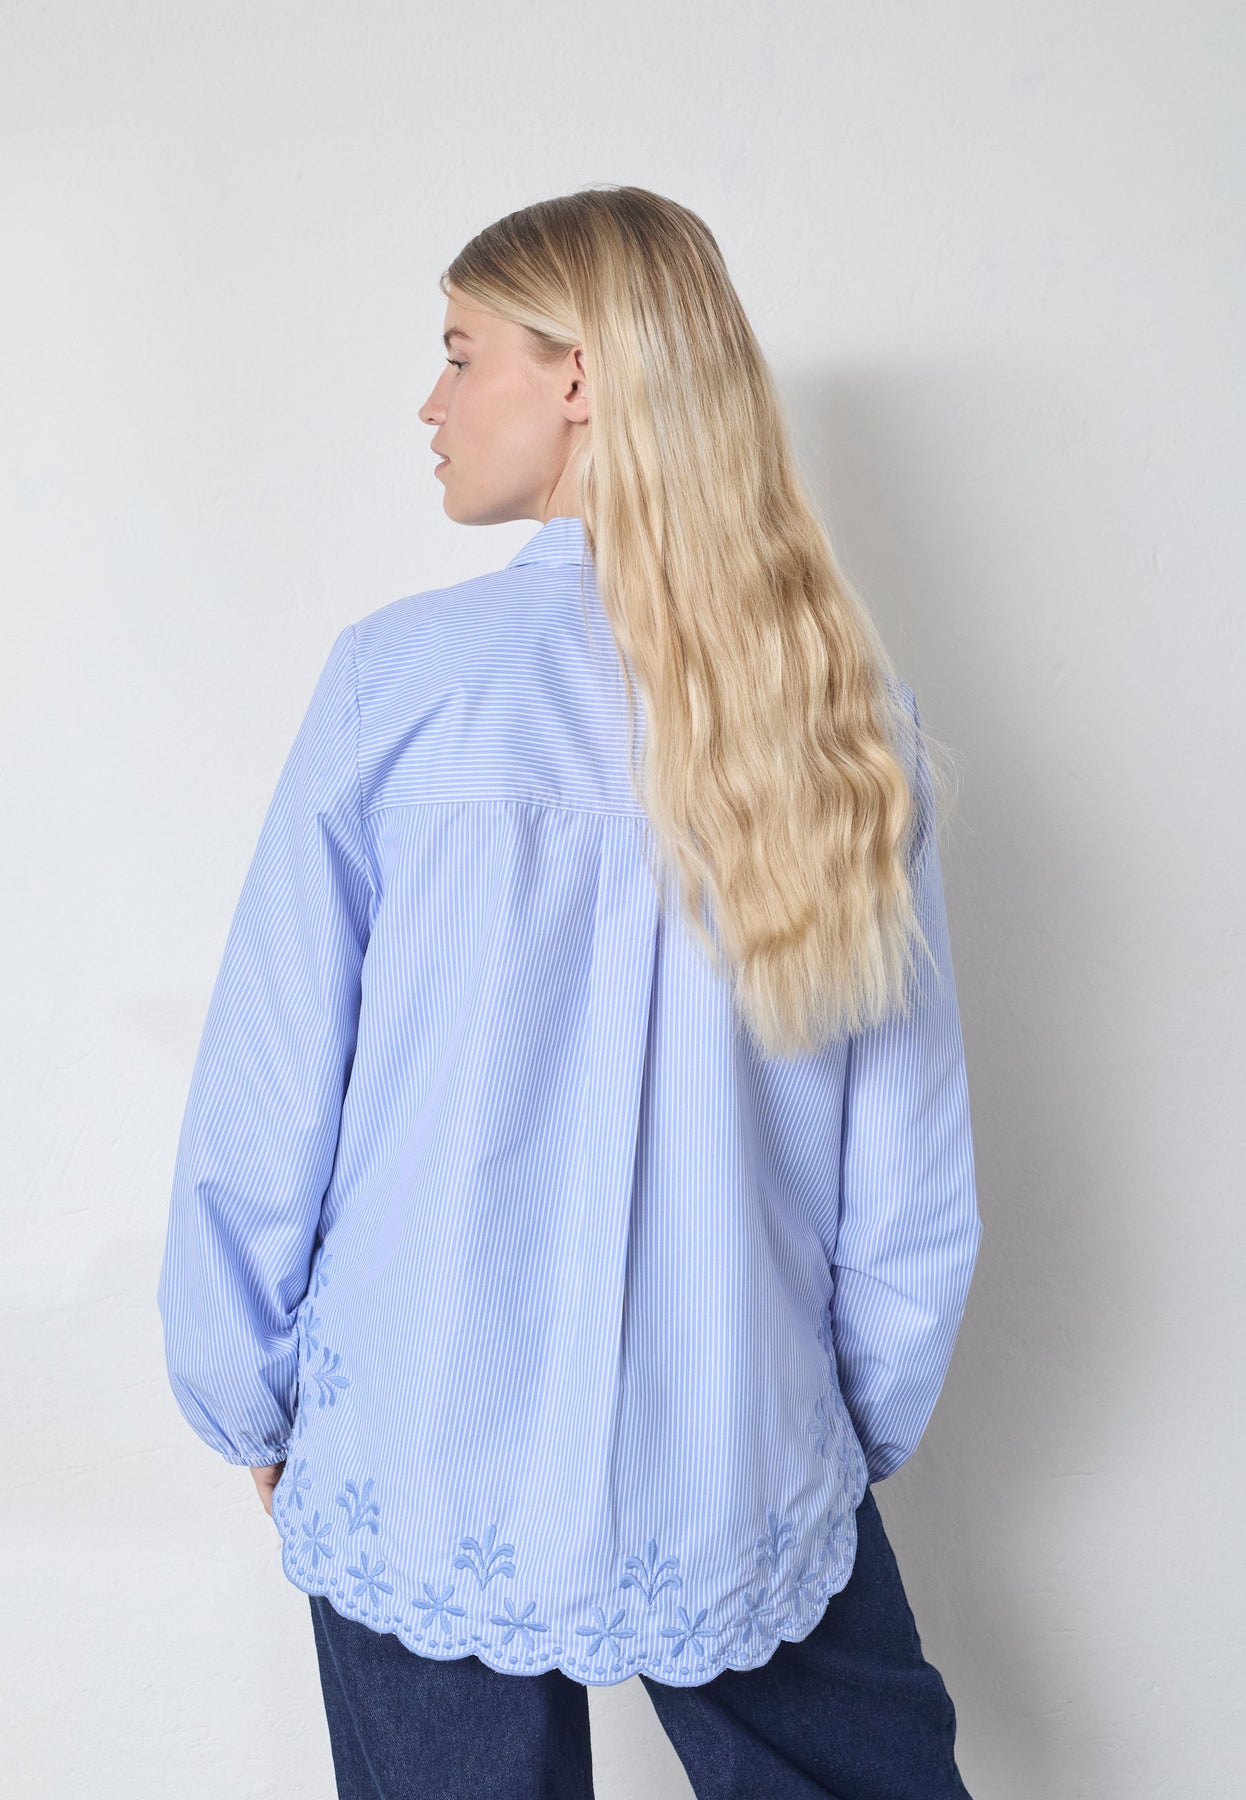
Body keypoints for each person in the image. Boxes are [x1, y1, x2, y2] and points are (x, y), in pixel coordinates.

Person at [157, 184, 982, 1799]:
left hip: (411, 1418)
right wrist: (836, 1420)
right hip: (737, 1430)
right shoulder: (837, 713)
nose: (431, 400)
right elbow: (905, 1167)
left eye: (461, 352)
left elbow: (272, 1077)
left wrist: (243, 1386)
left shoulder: (401, 683)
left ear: (580, 376)